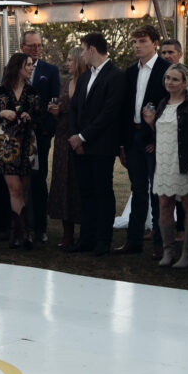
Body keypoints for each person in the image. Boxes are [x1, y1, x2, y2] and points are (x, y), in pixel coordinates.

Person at [142, 64, 188, 268]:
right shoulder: (162, 103)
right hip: (163, 162)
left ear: (185, 82)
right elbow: (162, 133)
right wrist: (151, 123)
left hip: (185, 163)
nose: (169, 82)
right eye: (167, 78)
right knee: (164, 205)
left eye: (175, 79)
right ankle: (168, 251)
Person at [68, 32, 126, 256]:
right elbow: (74, 109)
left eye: (82, 49)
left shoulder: (116, 76)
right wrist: (75, 137)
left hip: (101, 146)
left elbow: (109, 113)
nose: (81, 54)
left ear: (92, 49)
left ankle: (103, 240)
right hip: (79, 146)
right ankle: (86, 238)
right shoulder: (84, 77)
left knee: (102, 192)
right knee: (85, 192)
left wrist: (83, 137)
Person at [117, 25, 169, 257]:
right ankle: (134, 240)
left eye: (143, 41)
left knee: (158, 193)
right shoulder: (129, 72)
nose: (137, 45)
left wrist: (158, 138)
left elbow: (173, 108)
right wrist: (122, 144)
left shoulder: (167, 70)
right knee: (137, 190)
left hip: (154, 137)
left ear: (155, 43)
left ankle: (160, 244)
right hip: (132, 137)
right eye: (135, 41)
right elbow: (124, 109)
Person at [0, 53, 41, 248]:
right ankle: (24, 234)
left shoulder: (33, 92)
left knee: (24, 190)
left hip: (28, 144)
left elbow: (39, 121)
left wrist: (29, 116)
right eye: (28, 64)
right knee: (15, 189)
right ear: (18, 67)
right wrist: (2, 112)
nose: (31, 68)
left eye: (32, 65)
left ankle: (16, 232)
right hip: (7, 145)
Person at [19, 30, 60, 244]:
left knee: (38, 179)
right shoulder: (14, 69)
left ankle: (40, 228)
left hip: (40, 134)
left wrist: (46, 128)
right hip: (16, 134)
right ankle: (19, 226)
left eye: (39, 45)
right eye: (31, 45)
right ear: (22, 47)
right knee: (17, 180)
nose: (36, 49)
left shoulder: (50, 70)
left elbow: (54, 100)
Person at [47, 47, 84, 250]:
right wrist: (56, 111)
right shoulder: (65, 83)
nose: (67, 63)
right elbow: (61, 108)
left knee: (79, 186)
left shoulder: (87, 82)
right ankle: (67, 234)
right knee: (62, 185)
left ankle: (84, 232)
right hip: (61, 140)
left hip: (79, 139)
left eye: (71, 60)